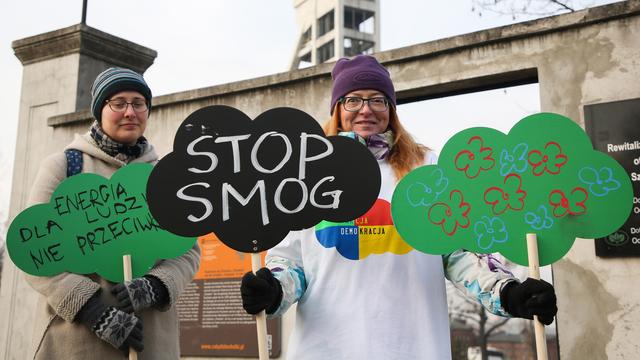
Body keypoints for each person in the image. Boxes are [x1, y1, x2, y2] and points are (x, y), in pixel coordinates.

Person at [240, 55, 557, 359]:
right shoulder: (307, 172)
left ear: (391, 108)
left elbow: (460, 253)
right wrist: (273, 289)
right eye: (353, 100)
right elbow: (292, 262)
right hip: (326, 348)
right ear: (338, 108)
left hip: (413, 346)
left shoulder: (425, 167)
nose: (366, 110)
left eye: (377, 99)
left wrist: (508, 293)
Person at [24, 67, 201, 359]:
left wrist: (156, 285)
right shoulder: (64, 167)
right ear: (99, 110)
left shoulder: (164, 176)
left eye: (138, 103)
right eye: (118, 103)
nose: (130, 112)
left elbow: (187, 251)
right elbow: (33, 249)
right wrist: (91, 310)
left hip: (151, 341)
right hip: (76, 341)